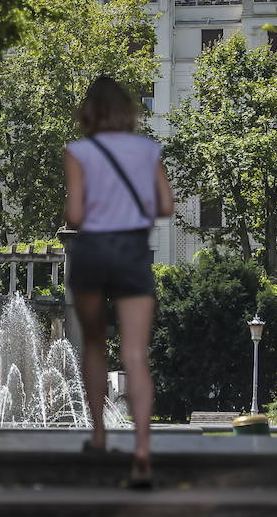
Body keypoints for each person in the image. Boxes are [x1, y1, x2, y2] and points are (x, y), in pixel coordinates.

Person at [63, 77, 173, 488]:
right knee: (135, 355)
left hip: (92, 251)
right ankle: (142, 451)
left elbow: (74, 214)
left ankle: (99, 435)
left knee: (94, 345)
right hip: (132, 251)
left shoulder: (78, 152)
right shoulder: (148, 150)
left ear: (88, 111)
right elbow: (166, 204)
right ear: (127, 110)